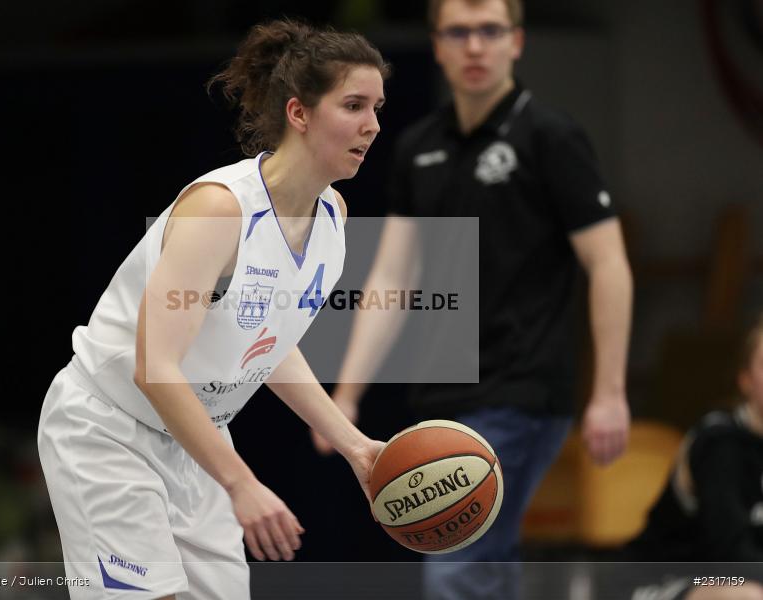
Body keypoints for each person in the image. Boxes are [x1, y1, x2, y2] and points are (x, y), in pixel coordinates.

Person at [37, 19, 390, 600]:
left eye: (377, 106)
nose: (372, 124)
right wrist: (242, 482)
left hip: (198, 438)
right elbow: (156, 365)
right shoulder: (220, 209)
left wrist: (356, 447)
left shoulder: (334, 216)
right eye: (353, 105)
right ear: (299, 113)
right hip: (107, 429)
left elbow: (266, 342)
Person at [311, 0, 633, 598]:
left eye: (490, 31)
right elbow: (393, 276)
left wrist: (610, 393)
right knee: (488, 560)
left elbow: (608, 262)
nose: (475, 46)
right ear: (436, 45)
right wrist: (347, 393)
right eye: (459, 33)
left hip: (522, 388)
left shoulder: (550, 136)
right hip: (442, 391)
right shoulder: (416, 146)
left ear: (517, 41)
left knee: (454, 554)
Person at [624, 314, 763, 600]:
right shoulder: (719, 442)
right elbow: (731, 551)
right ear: (745, 380)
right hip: (665, 578)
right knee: (748, 596)